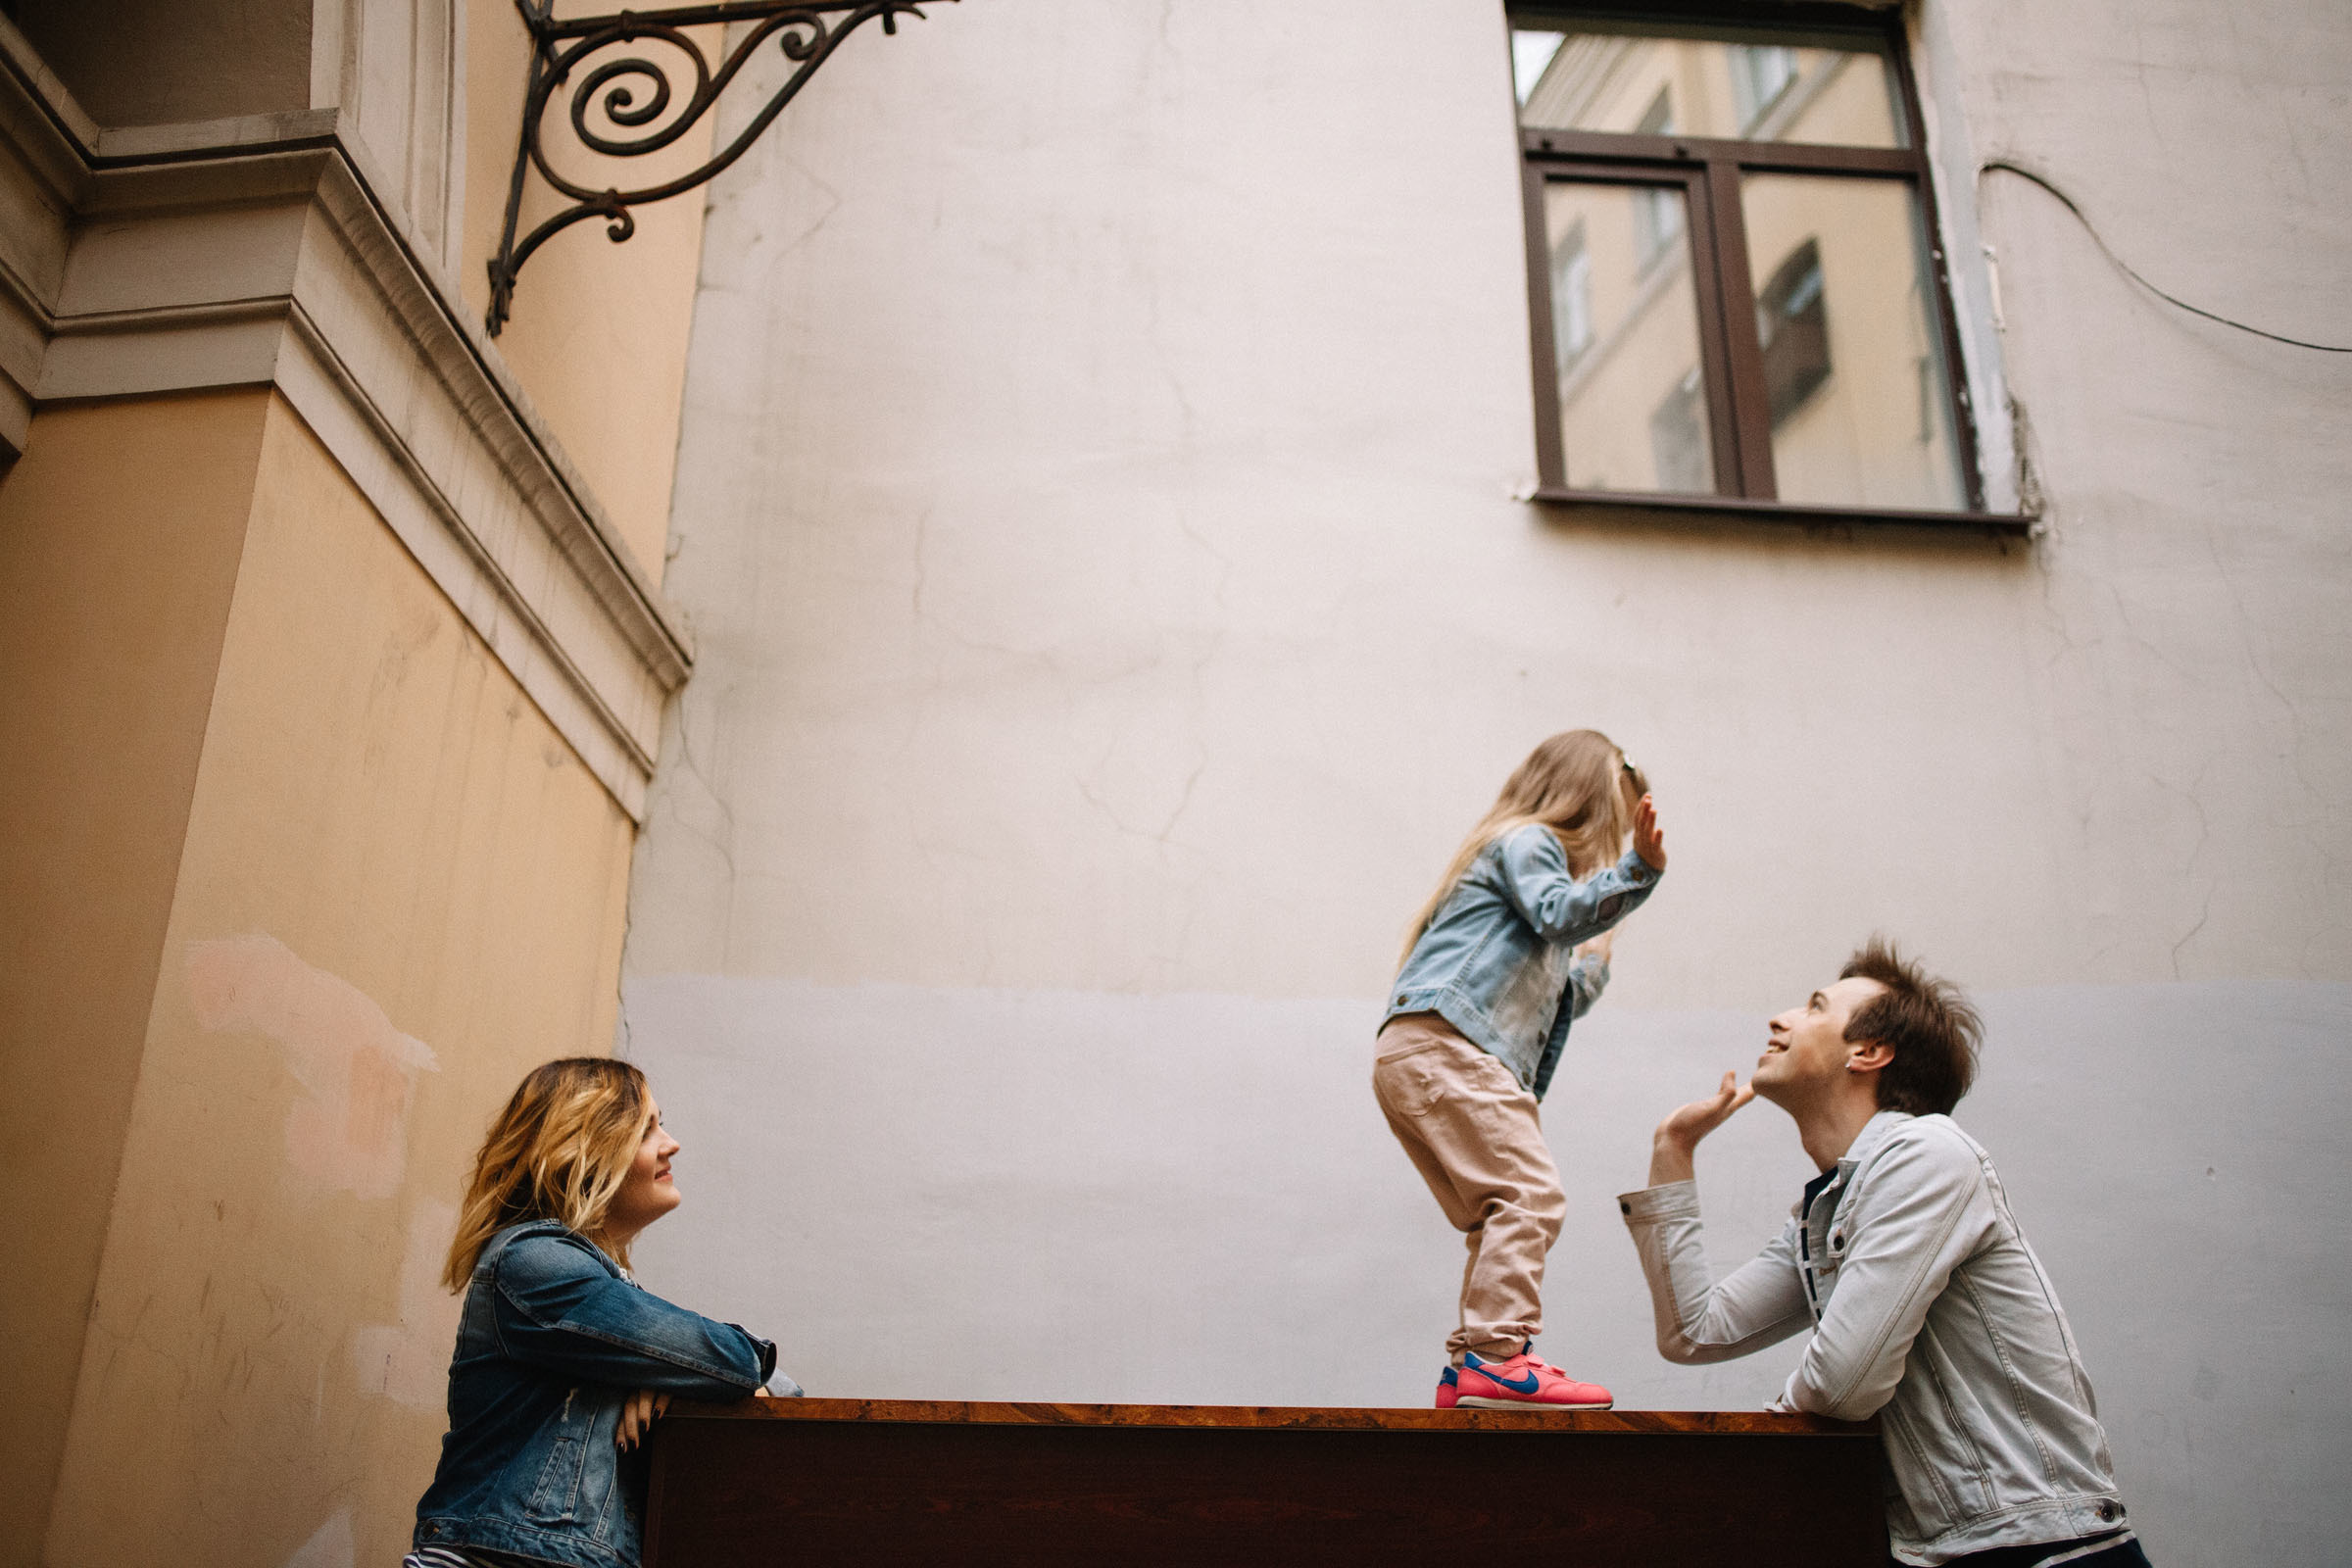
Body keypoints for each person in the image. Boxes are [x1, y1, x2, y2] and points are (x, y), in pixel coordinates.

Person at [1620, 941, 2149, 1568]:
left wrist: (1790, 1406)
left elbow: (1845, 1385)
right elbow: (1695, 1333)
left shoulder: (1928, 1154)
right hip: (1955, 1552)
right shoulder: (1832, 1208)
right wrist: (1672, 1148)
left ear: (1868, 1053)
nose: (1780, 1019)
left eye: (1815, 1008)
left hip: (2046, 1550)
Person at [407, 1057, 799, 1568]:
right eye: (645, 1130)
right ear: (582, 1151)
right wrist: (689, 1370)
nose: (671, 1143)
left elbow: (781, 1391)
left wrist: (673, 1375)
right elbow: (740, 1363)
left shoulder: (608, 1294)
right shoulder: (532, 1262)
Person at [1376, 729, 1665, 1410]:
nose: (1614, 846)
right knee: (1530, 1194)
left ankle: (1471, 1368)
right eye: (1615, 827)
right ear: (1585, 804)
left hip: (1421, 1052)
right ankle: (1499, 1356)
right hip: (1450, 1048)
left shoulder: (1526, 874)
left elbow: (1561, 997)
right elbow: (1560, 913)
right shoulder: (1529, 843)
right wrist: (1638, 871)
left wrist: (1595, 955)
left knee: (1497, 1213)